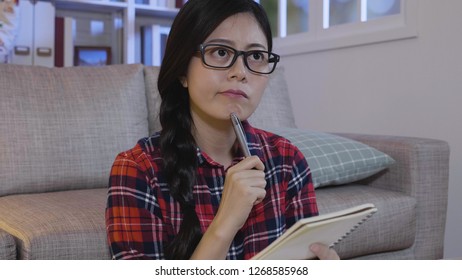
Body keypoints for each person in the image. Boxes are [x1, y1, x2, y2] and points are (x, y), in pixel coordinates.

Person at [105, 0, 339, 260]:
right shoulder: (137, 169)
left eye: (256, 56)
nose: (240, 72)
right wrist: (225, 222)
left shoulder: (287, 160)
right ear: (182, 70)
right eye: (220, 52)